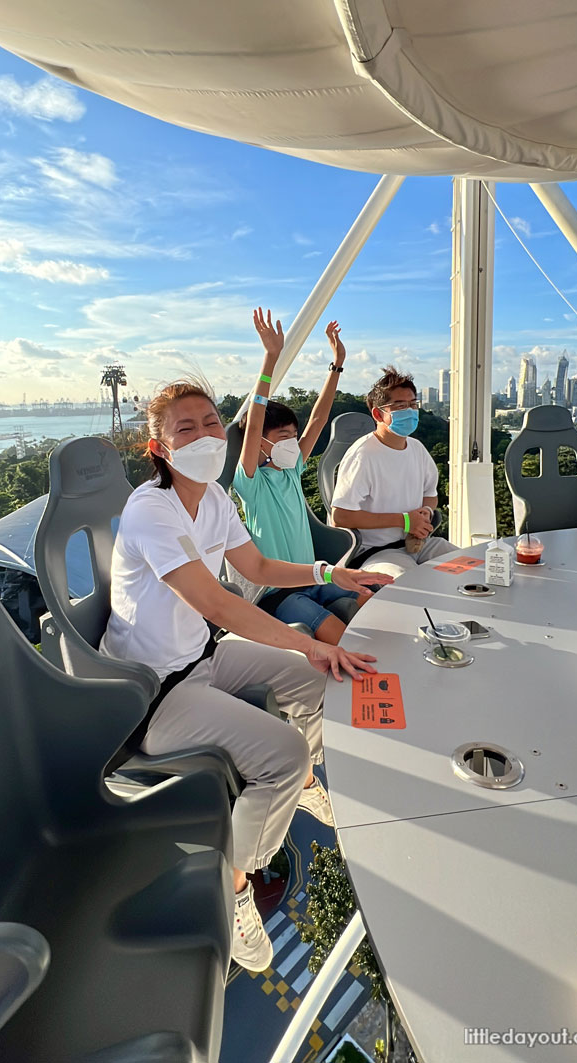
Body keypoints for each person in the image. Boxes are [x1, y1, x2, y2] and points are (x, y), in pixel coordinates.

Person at [101, 377, 381, 973]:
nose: (203, 434)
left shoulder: (218, 501)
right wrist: (306, 645)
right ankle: (233, 891)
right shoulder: (151, 509)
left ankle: (302, 789)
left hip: (203, 656)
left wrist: (330, 571)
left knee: (317, 684)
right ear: (159, 449)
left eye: (208, 422)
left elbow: (253, 566)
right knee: (282, 750)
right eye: (185, 427)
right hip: (151, 693)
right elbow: (219, 604)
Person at [232, 309, 391, 644]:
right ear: (260, 441)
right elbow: (255, 419)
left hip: (315, 578)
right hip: (279, 593)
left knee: (374, 600)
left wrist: (337, 365)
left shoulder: (292, 470)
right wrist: (270, 359)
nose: (292, 442)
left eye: (294, 435)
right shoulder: (252, 483)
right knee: (338, 636)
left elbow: (318, 419)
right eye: (283, 437)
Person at [331, 365, 457, 576]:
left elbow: (430, 495)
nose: (409, 411)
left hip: (420, 544)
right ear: (378, 414)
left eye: (413, 404)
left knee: (473, 568)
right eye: (399, 405)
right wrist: (405, 520)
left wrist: (424, 514)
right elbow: (341, 516)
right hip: (377, 552)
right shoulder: (364, 455)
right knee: (410, 585)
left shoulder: (417, 449)